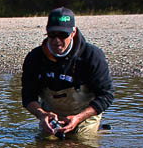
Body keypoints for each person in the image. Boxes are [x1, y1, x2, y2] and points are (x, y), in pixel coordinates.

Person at [21, 7, 114, 140]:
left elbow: (107, 95)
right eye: (52, 35)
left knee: (81, 143)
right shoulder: (34, 58)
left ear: (73, 32)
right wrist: (42, 115)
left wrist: (78, 118)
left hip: (84, 114)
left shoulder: (92, 56)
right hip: (51, 115)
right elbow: (28, 97)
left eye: (62, 35)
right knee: (46, 144)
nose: (56, 40)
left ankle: (98, 130)